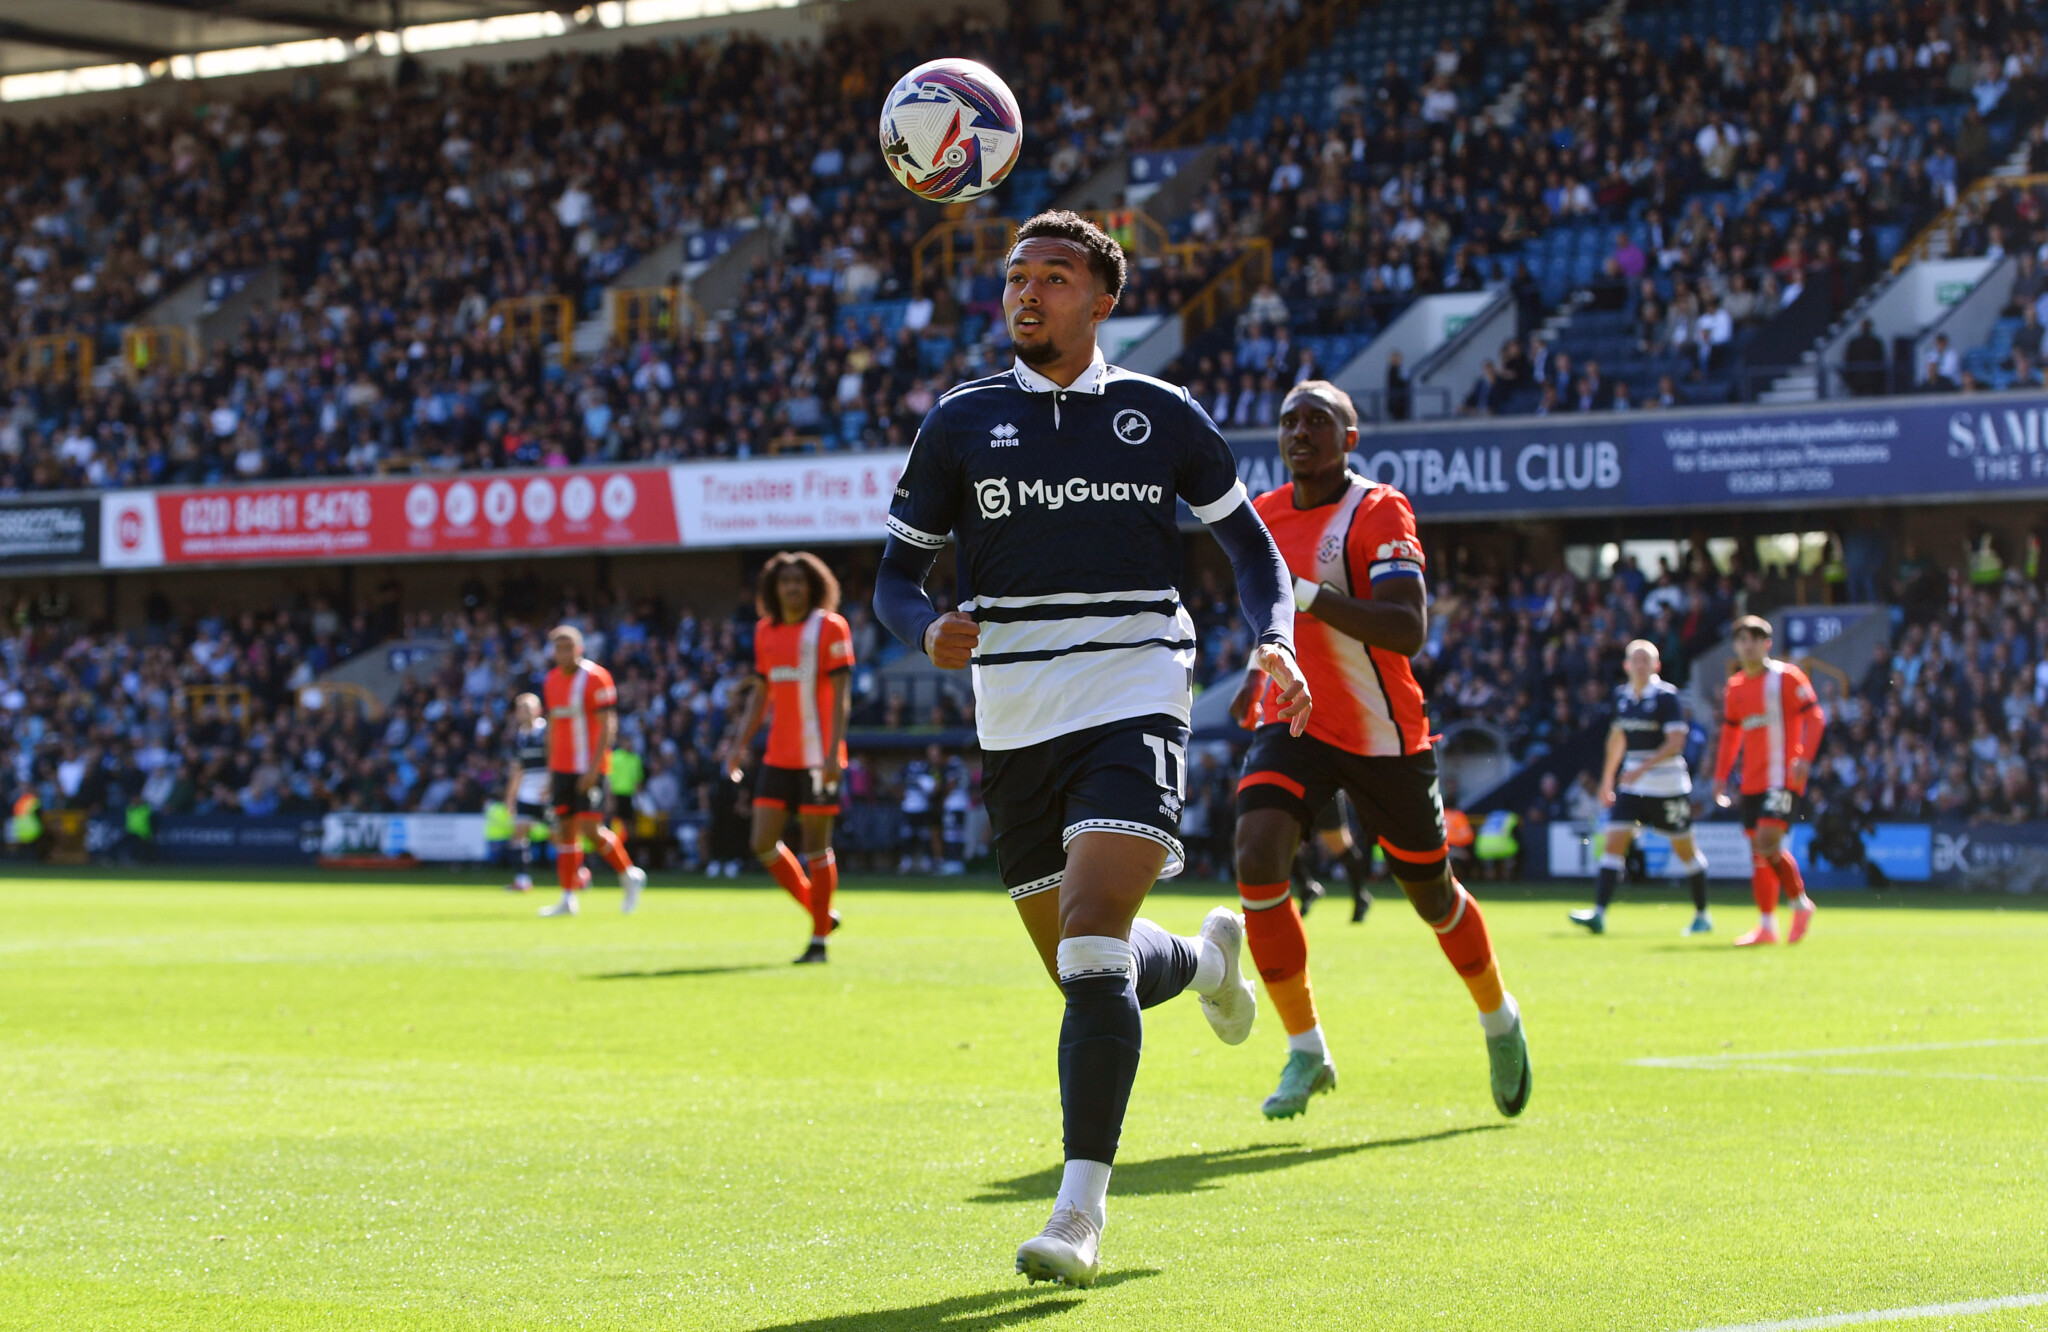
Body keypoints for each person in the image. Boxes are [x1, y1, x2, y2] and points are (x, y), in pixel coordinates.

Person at [873, 210, 1310, 1287]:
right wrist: (923, 628)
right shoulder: (960, 421)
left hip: (1134, 688)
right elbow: (892, 578)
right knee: (1082, 967)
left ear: (1104, 300)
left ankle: (1077, 1215)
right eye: (1015, 276)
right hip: (1015, 716)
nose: (1026, 293)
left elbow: (1252, 551)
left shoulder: (1159, 413)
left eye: (1054, 277)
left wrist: (1274, 639)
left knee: (1089, 940)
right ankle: (1208, 961)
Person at [1228, 380, 1530, 1124]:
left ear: (1350, 438)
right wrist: (1253, 675)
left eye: (1318, 420)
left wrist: (1309, 595)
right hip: (1293, 719)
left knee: (1433, 896)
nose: (1300, 431)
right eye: (1289, 420)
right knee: (1257, 859)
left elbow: (1406, 629)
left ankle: (1499, 1017)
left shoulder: (1378, 510)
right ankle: (1306, 1049)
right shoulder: (1264, 515)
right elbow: (1274, 616)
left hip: (1381, 733)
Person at [721, 551, 854, 963]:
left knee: (816, 847)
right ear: (772, 589)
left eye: (799, 580)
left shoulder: (831, 627)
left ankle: (819, 942)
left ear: (813, 586)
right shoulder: (765, 631)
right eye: (785, 581)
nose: (792, 587)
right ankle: (821, 914)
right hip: (779, 755)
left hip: (818, 757)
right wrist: (738, 744)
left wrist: (833, 753)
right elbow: (762, 693)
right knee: (761, 842)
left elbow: (842, 696)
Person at [1570, 641, 1711, 936]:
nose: (1640, 665)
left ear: (1656, 665)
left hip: (1668, 785)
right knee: (1613, 842)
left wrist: (1640, 768)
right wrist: (1608, 780)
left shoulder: (1666, 697)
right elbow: (1617, 739)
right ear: (1626, 665)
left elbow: (1676, 742)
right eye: (1635, 659)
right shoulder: (1622, 697)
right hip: (1633, 787)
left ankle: (1702, 915)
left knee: (1685, 850)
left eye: (1646, 660)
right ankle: (1598, 913)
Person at [1713, 617, 1827, 946]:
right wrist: (1720, 776)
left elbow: (1815, 716)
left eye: (1754, 639)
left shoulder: (1787, 677)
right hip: (1752, 780)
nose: (1748, 645)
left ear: (1767, 644)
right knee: (1758, 852)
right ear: (1736, 646)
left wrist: (1805, 757)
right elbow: (1731, 735)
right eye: (1742, 640)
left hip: (1783, 776)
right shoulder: (1735, 687)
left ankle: (1800, 904)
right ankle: (1766, 926)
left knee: (1766, 842)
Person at [537, 625, 646, 917]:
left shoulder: (596, 677)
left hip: (589, 767)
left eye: (568, 647)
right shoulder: (550, 680)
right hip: (562, 768)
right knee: (565, 832)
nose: (563, 653)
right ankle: (567, 898)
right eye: (558, 648)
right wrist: (551, 771)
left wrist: (595, 767)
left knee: (591, 830)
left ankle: (628, 875)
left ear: (580, 649)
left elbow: (608, 724)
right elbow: (553, 727)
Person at [500, 692, 551, 893]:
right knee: (518, 833)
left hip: (547, 791)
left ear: (538, 710)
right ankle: (522, 880)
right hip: (527, 791)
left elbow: (556, 760)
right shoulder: (519, 737)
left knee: (560, 836)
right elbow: (517, 769)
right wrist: (510, 798)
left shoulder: (547, 732)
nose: (524, 712)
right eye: (520, 709)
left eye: (527, 708)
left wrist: (552, 786)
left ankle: (579, 873)